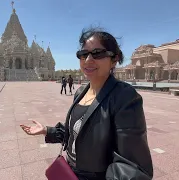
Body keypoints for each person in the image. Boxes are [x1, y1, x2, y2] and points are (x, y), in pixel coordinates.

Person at [20, 27, 153, 180]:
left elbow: (132, 167)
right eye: (83, 54)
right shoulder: (80, 92)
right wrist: (47, 131)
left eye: (98, 53)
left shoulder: (124, 97)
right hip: (70, 173)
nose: (88, 60)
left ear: (114, 59)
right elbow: (78, 132)